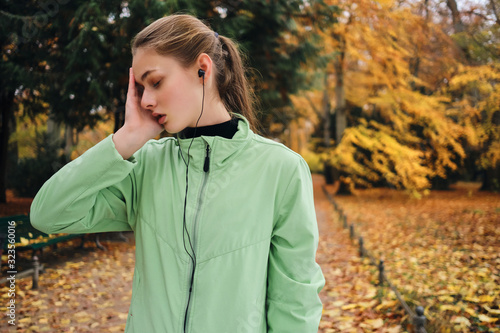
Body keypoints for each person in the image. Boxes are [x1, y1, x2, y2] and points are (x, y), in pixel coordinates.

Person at [30, 14, 325, 333]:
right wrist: (127, 138)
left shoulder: (280, 169)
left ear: (202, 69)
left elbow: (295, 300)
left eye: (155, 82)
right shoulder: (143, 167)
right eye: (141, 88)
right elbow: (47, 215)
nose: (146, 100)